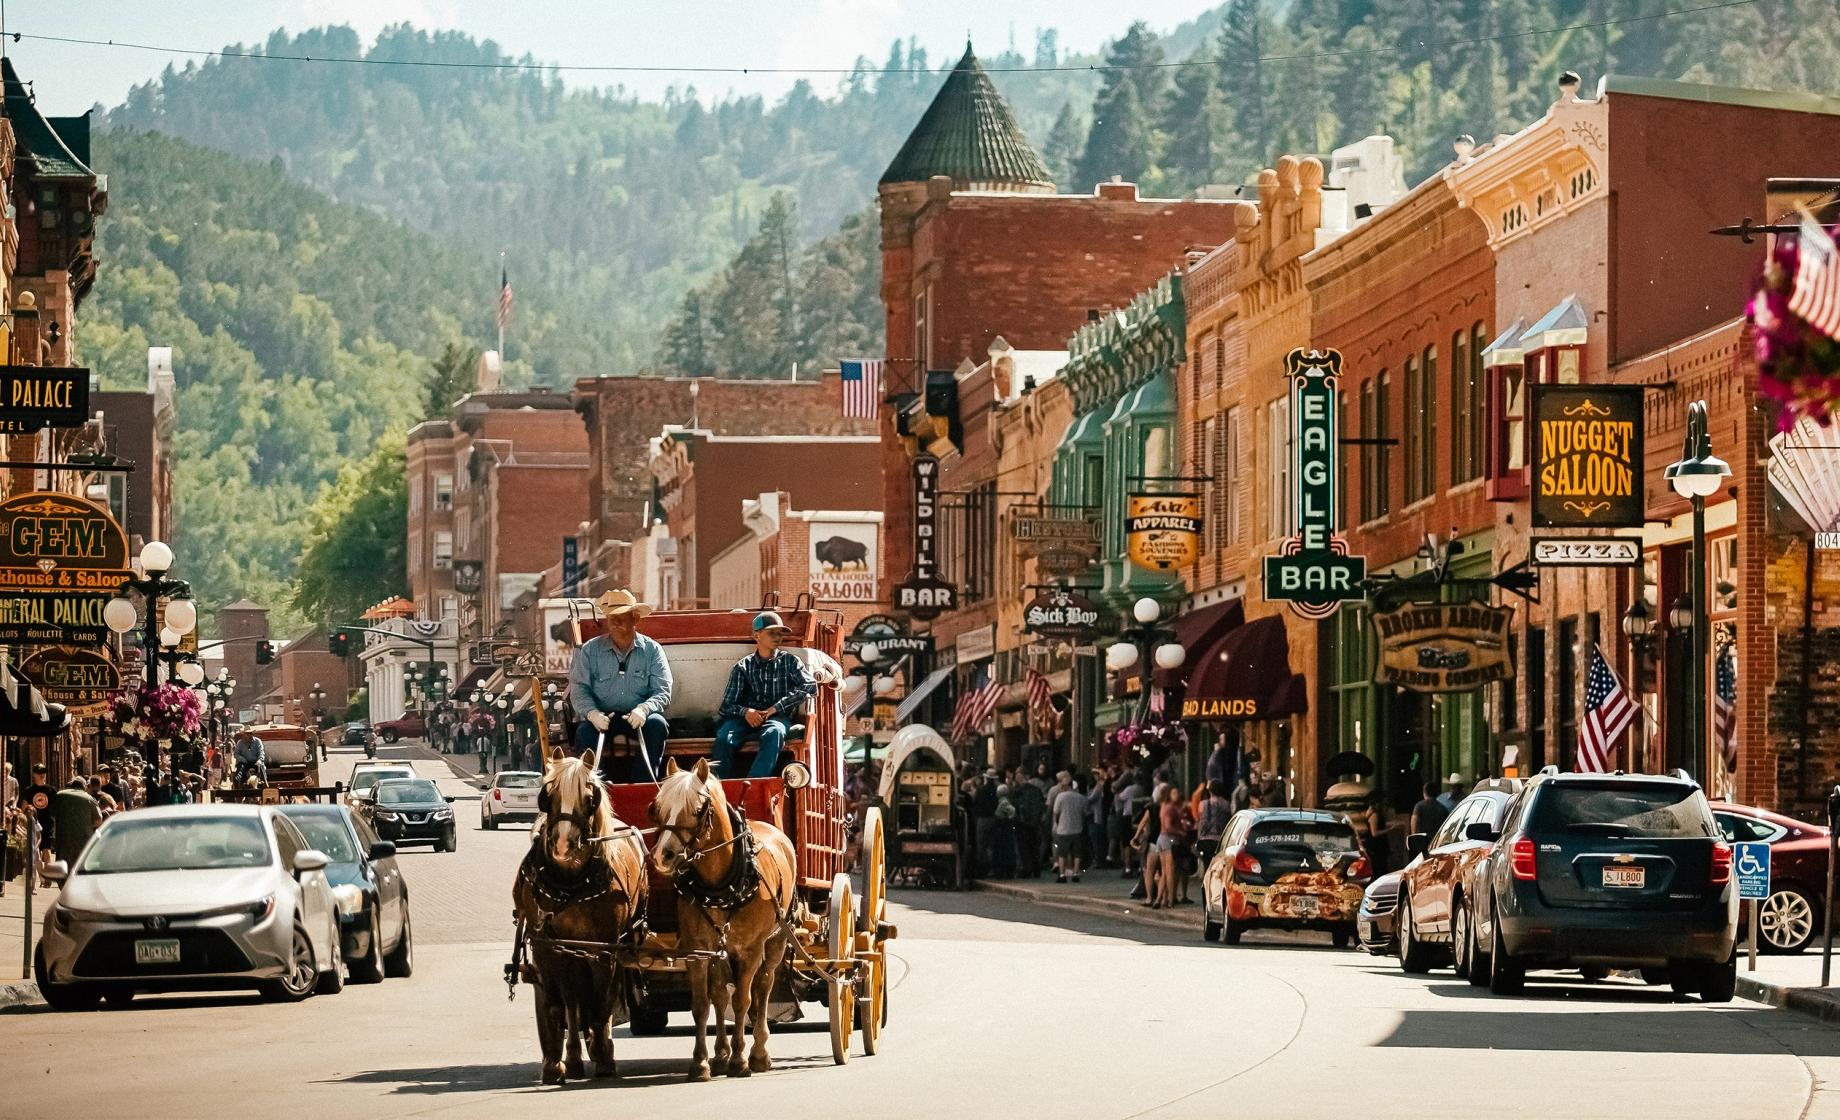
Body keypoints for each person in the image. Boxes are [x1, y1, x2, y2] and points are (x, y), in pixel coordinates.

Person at [568, 587, 674, 782]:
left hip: (638, 718)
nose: (615, 622)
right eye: (611, 617)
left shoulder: (652, 650)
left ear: (635, 618)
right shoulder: (590, 651)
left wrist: (644, 709)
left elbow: (663, 690)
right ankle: (594, 787)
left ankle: (643, 785)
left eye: (621, 616)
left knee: (657, 725)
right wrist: (592, 713)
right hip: (602, 717)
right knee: (584, 732)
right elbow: (579, 688)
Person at [711, 611, 815, 779]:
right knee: (724, 737)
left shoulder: (790, 662)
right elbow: (727, 706)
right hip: (743, 720)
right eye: (771, 632)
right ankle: (718, 786)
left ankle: (754, 784)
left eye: (780, 633)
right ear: (756, 635)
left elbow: (809, 686)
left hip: (778, 717)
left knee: (774, 733)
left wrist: (776, 708)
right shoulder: (743, 666)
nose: (777, 637)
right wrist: (746, 712)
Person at [51, 778, 101, 866]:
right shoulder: (89, 798)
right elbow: (98, 820)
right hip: (83, 840)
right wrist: (87, 825)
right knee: (80, 867)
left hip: (63, 839)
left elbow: (52, 815)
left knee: (63, 868)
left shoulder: (59, 795)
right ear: (84, 787)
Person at [1051, 776, 1087, 883]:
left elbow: (1056, 813)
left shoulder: (1060, 797)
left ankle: (1062, 874)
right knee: (1077, 853)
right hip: (1077, 828)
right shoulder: (1080, 797)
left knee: (1062, 853)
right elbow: (1084, 813)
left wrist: (1057, 823)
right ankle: (1076, 873)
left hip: (1063, 829)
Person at [1196, 779, 1233, 868]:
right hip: (1220, 840)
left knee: (1207, 866)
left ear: (1210, 790)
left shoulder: (1202, 804)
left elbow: (1200, 821)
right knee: (1219, 867)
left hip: (1205, 839)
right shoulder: (1226, 804)